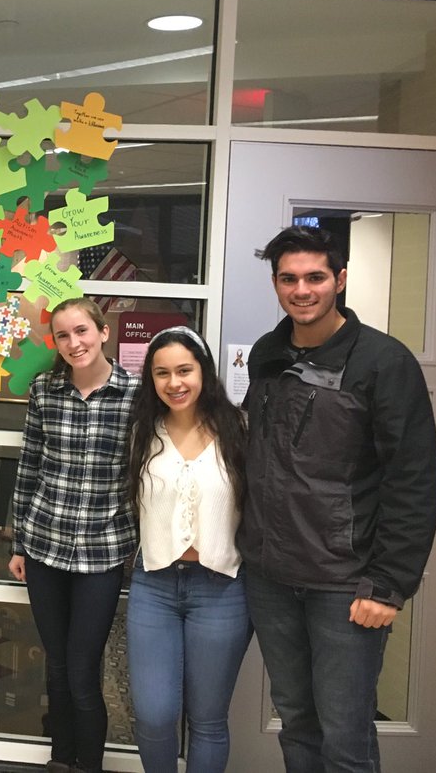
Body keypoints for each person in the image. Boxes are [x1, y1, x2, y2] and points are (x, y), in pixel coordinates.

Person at [239, 225, 436, 773]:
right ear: (276, 284)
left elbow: (414, 480)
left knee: (346, 737)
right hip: (271, 578)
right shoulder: (266, 354)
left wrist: (389, 585)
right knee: (296, 723)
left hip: (345, 585)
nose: (301, 290)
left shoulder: (383, 362)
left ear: (340, 280)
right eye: (288, 279)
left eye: (315, 277)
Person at [8, 296, 139, 773]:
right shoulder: (46, 389)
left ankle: (89, 766)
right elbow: (30, 469)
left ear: (104, 332)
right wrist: (18, 543)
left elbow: (147, 475)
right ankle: (60, 760)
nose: (73, 342)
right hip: (44, 546)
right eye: (63, 335)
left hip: (101, 555)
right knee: (57, 668)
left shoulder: (137, 393)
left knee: (83, 672)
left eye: (82, 331)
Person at [124, 327, 249, 773]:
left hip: (221, 589)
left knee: (208, 720)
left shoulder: (239, 429)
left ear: (203, 371)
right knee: (155, 716)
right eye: (162, 373)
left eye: (184, 370)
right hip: (153, 585)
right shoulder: (141, 431)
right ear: (151, 381)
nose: (174, 383)